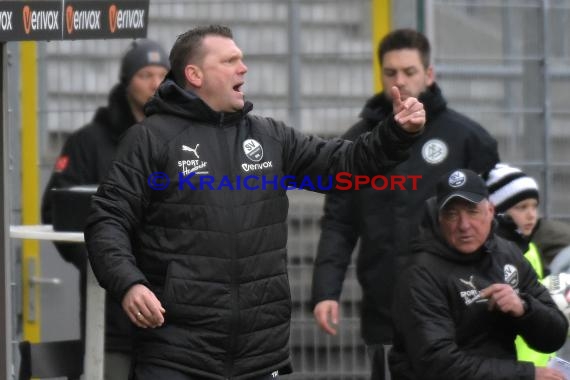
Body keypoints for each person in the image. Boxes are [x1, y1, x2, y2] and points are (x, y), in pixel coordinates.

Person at [83, 24, 426, 380]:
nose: (243, 68)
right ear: (194, 74)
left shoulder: (269, 136)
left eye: (242, 59)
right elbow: (107, 219)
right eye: (230, 60)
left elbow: (344, 167)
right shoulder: (149, 140)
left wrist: (397, 134)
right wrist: (129, 283)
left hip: (259, 357)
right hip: (176, 356)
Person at [311, 28, 499, 380]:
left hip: (459, 308)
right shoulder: (358, 143)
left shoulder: (468, 138)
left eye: (409, 72)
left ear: (429, 74)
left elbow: (496, 219)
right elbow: (339, 222)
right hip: (386, 306)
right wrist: (326, 291)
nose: (400, 81)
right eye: (391, 72)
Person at [41, 39, 170, 379]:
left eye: (162, 74)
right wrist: (100, 265)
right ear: (127, 81)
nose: (156, 83)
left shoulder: (183, 140)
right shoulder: (88, 142)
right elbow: (56, 209)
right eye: (145, 74)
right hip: (109, 313)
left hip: (172, 316)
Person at [388, 168, 568, 380]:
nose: (464, 225)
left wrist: (524, 308)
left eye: (472, 211)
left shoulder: (508, 254)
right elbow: (438, 365)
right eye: (452, 214)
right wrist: (526, 374)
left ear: (490, 211)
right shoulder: (420, 274)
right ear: (439, 218)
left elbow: (554, 337)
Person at [485, 163, 570, 365]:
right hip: (511, 365)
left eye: (534, 206)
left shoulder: (530, 248)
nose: (531, 214)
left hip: (540, 363)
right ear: (497, 211)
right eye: (521, 207)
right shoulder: (492, 254)